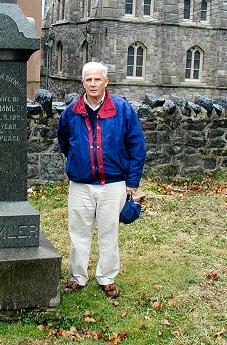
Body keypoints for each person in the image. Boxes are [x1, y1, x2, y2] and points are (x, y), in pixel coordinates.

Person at [57, 61, 146, 298]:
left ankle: (107, 277)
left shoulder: (122, 109)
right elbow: (64, 141)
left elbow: (137, 145)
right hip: (81, 184)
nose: (93, 84)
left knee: (109, 232)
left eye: (98, 79)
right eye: (89, 80)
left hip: (113, 183)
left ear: (106, 81)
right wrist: (75, 162)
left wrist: (133, 181)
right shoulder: (72, 112)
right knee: (78, 233)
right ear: (83, 83)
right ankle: (78, 276)